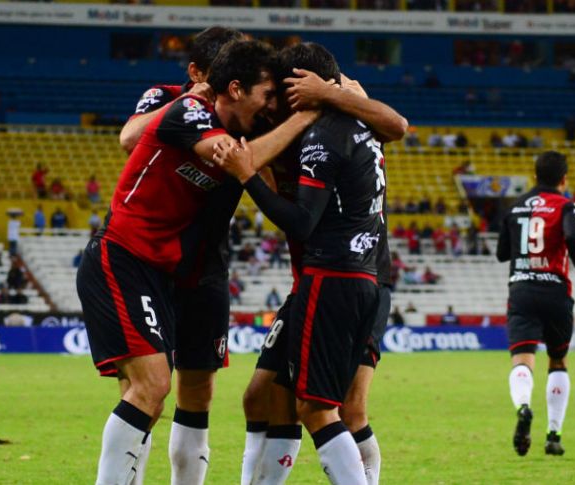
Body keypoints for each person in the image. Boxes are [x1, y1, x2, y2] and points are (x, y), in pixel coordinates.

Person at [77, 38, 316, 485]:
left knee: (190, 392)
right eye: (266, 95)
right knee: (149, 388)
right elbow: (236, 163)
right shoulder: (187, 111)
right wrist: (307, 114)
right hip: (128, 256)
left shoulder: (243, 131)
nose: (271, 107)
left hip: (188, 270)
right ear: (237, 88)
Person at [214, 42, 402, 485]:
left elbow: (398, 125)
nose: (271, 101)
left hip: (351, 273)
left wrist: (332, 95)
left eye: (279, 91)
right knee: (261, 396)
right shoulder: (320, 123)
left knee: (337, 409)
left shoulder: (330, 127)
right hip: (319, 280)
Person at [496, 150, 575, 457]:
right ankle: (553, 435)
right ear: (564, 179)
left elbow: (501, 253)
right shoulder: (567, 206)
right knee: (558, 361)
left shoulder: (516, 207)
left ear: (534, 176)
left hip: (522, 289)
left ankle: (523, 408)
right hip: (555, 291)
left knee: (522, 360)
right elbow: (573, 236)